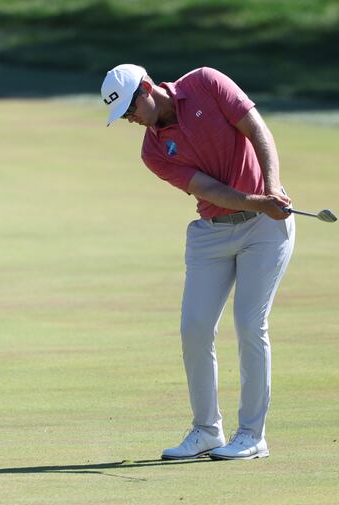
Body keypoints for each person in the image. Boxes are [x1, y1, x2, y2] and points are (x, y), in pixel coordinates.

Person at [101, 64, 295, 460]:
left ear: (147, 89)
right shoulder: (153, 151)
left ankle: (252, 435)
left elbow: (257, 129)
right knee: (194, 327)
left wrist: (270, 190)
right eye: (122, 116)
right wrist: (255, 200)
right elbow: (206, 188)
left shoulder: (205, 82)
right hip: (213, 231)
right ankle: (207, 430)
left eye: (129, 109)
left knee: (249, 323)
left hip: (265, 228)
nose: (130, 120)